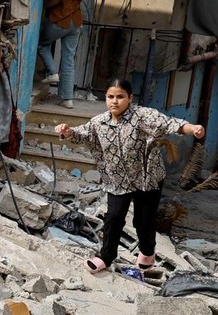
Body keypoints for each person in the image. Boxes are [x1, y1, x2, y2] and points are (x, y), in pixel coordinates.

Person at [53, 79, 205, 273]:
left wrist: (192, 129)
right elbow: (81, 135)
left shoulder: (142, 116)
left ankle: (147, 251)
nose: (114, 101)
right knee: (114, 217)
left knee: (143, 221)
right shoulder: (99, 123)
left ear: (130, 98)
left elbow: (168, 123)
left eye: (120, 97)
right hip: (118, 179)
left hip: (147, 178)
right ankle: (105, 257)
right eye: (110, 97)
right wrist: (67, 132)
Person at [38, 0, 85, 109]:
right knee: (68, 60)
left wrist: (45, 4)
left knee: (41, 44)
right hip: (76, 22)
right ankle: (67, 99)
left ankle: (52, 73)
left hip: (60, 20)